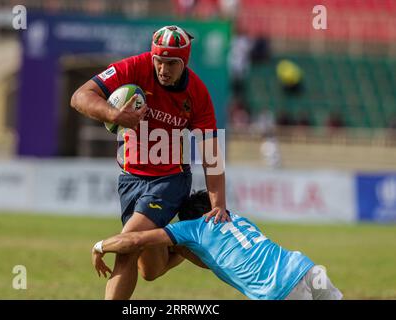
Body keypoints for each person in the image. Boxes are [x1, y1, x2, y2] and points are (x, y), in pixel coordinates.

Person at [71, 25, 228, 299]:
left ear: (185, 62)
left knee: (126, 249)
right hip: (129, 180)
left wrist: (219, 206)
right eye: (159, 61)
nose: (163, 69)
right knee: (150, 271)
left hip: (170, 180)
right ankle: (179, 242)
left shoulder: (198, 94)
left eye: (171, 63)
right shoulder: (132, 68)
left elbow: (211, 154)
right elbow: (79, 97)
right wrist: (114, 115)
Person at [92, 190, 343, 300]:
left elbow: (135, 239)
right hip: (306, 267)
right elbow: (214, 260)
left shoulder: (193, 227)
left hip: (279, 290)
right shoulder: (237, 218)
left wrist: (100, 246)